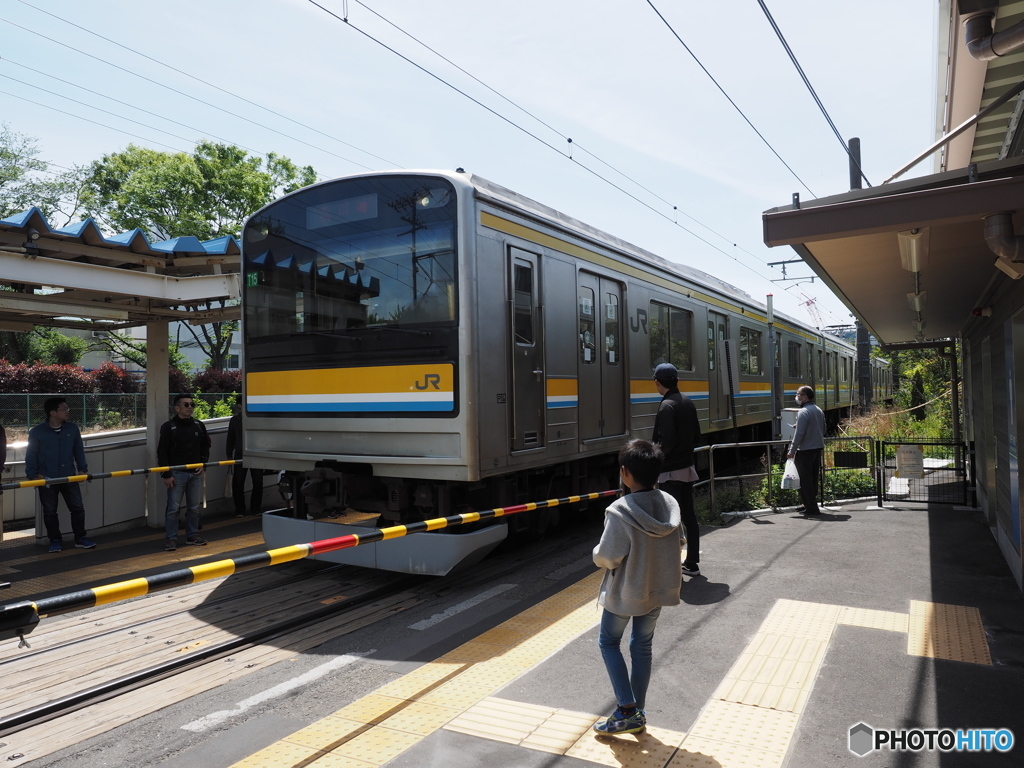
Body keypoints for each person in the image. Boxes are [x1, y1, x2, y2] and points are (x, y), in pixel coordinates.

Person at [592, 439, 681, 735]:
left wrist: (596, 554)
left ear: (625, 473)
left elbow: (607, 556)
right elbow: (679, 541)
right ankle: (637, 712)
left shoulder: (620, 510)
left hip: (625, 593)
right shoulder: (669, 505)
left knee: (608, 642)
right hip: (656, 589)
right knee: (642, 646)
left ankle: (626, 710)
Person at [24, 397, 97, 553]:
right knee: (50, 511)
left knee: (77, 508)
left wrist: (82, 469)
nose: (67, 412)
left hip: (69, 476)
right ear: (53, 413)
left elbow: (78, 450)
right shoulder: (37, 432)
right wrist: (33, 475)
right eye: (63, 409)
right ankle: (55, 540)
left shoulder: (72, 429)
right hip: (46, 479)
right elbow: (31, 455)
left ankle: (80, 538)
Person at [650, 363, 703, 577]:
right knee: (689, 516)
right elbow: (697, 435)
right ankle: (692, 563)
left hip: (670, 472)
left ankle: (670, 567)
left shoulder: (666, 406)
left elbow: (667, 442)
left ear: (657, 382)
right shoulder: (687, 402)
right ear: (677, 381)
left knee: (669, 521)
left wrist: (654, 459)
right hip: (687, 468)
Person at [158, 394, 211, 551]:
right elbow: (162, 452)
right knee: (173, 508)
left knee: (194, 507)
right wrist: (166, 474)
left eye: (192, 404)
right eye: (186, 405)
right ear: (177, 408)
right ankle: (171, 538)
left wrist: (203, 463)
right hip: (176, 474)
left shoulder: (199, 425)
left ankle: (192, 535)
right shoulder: (169, 427)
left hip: (195, 473)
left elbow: (206, 446)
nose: (190, 407)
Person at [788, 385, 826, 516]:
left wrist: (792, 450)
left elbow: (799, 435)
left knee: (804, 479)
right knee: (813, 477)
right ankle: (808, 503)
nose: (797, 396)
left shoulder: (803, 412)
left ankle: (811, 507)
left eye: (798, 394)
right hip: (817, 448)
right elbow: (823, 428)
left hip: (805, 450)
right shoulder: (818, 410)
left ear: (805, 397)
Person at [226, 405, 263, 516]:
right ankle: (240, 509)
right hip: (239, 454)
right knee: (238, 483)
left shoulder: (257, 418)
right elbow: (231, 437)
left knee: (258, 482)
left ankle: (255, 508)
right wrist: (229, 454)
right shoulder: (234, 420)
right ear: (239, 406)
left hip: (256, 454)